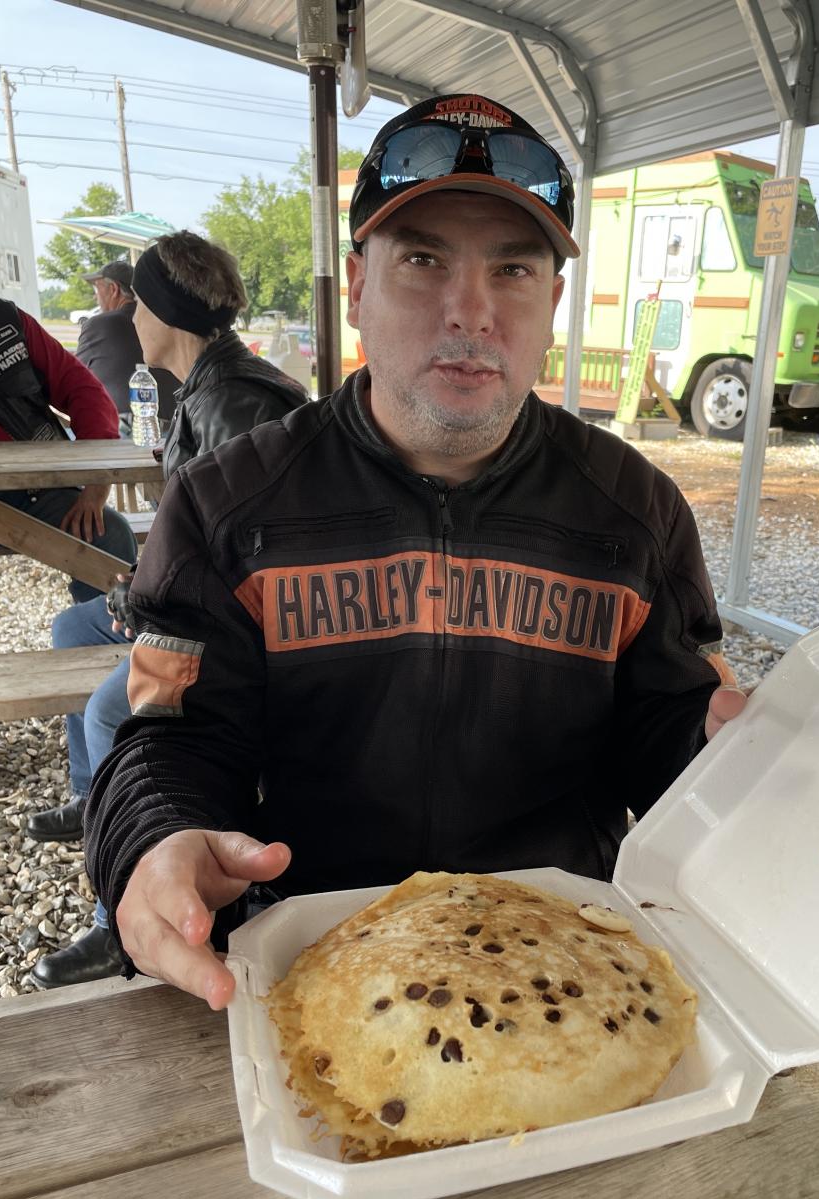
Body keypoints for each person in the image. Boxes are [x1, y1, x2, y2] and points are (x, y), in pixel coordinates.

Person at [85, 93, 748, 1011]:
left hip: (566, 972)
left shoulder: (637, 513)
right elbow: (176, 740)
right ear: (358, 286)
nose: (470, 312)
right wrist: (158, 835)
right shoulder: (225, 504)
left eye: (513, 269)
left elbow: (666, 732)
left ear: (554, 302)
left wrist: (724, 752)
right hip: (314, 969)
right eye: (425, 260)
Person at [29, 231, 308, 989]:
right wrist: (139, 591)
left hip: (228, 633)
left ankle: (116, 918)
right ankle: (96, 803)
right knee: (70, 627)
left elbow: (250, 561)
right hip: (184, 603)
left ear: (165, 314)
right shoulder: (209, 388)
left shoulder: (237, 405)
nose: (130, 322)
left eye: (139, 308)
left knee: (105, 711)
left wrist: (150, 602)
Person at [0, 299, 138, 601]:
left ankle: (103, 628)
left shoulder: (6, 320)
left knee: (110, 536)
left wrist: (97, 481)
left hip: (32, 487)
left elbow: (82, 388)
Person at [75, 259, 176, 437]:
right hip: (177, 427)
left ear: (113, 289)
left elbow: (75, 379)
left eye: (97, 289)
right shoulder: (165, 321)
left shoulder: (98, 325)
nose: (95, 297)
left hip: (129, 429)